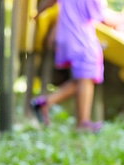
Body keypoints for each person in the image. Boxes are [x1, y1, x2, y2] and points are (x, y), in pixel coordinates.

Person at [30, 0, 105, 132]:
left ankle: (44, 103)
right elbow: (102, 15)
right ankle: (82, 123)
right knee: (86, 77)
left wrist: (39, 14)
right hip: (81, 37)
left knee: (84, 80)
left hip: (69, 36)